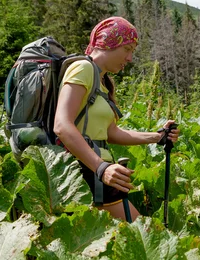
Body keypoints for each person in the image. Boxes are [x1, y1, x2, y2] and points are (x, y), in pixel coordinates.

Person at [53, 16, 179, 221]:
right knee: (139, 233)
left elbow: (110, 132)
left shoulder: (102, 81)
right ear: (109, 43)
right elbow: (61, 125)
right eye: (127, 49)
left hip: (99, 170)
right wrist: (101, 168)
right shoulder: (83, 69)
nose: (130, 58)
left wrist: (157, 137)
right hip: (83, 170)